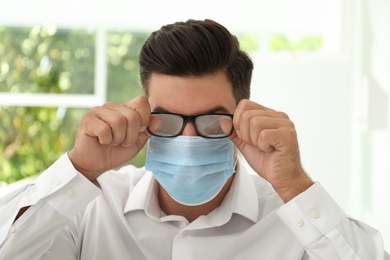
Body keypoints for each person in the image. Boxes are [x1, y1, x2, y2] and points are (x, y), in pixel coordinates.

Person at [0, 19, 388, 260]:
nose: (187, 136)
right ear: (145, 117)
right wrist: (80, 168)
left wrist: (296, 186)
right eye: (167, 119)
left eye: (211, 119)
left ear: (242, 116)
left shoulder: (296, 222)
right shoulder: (89, 207)